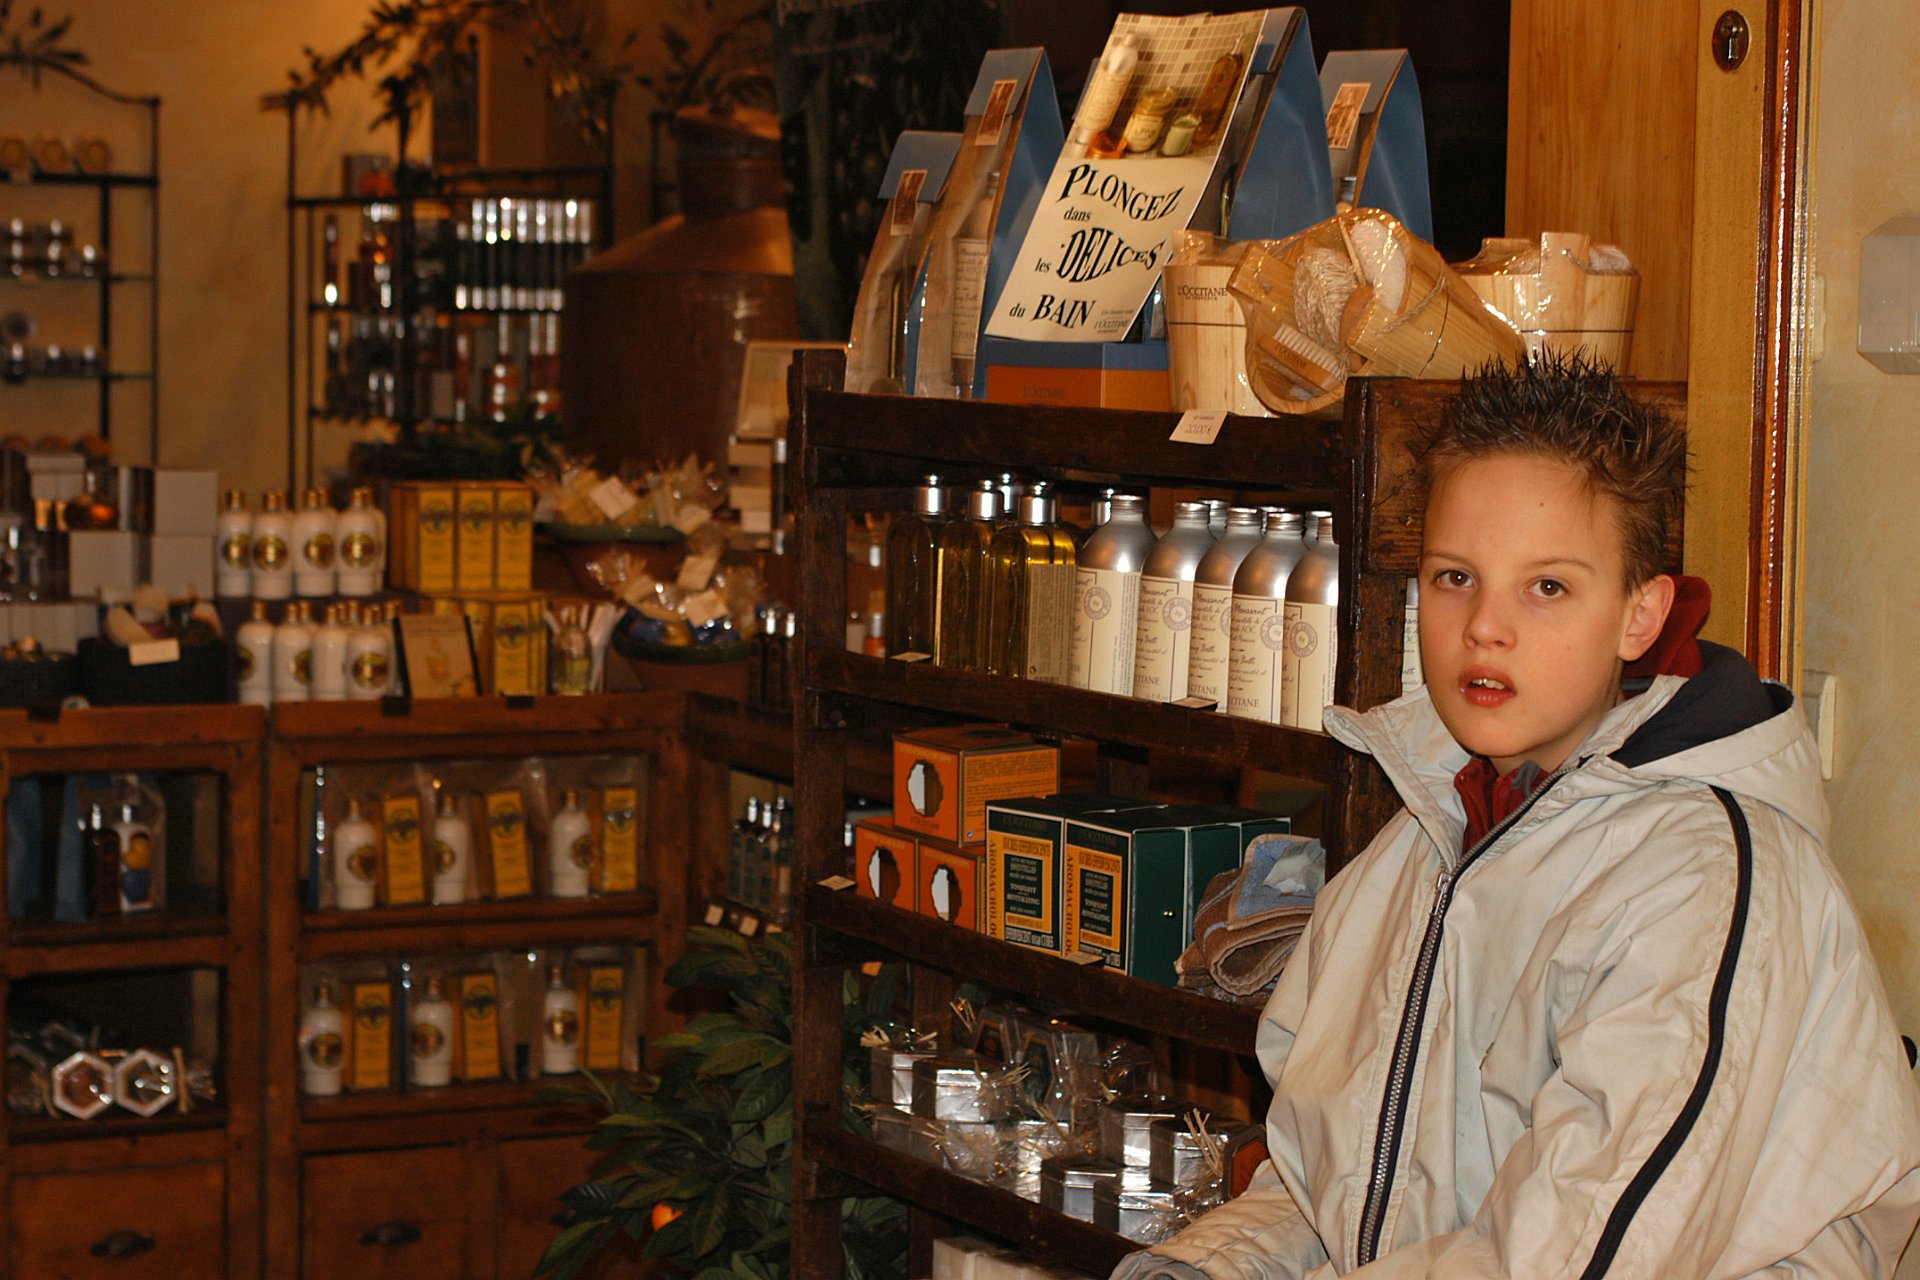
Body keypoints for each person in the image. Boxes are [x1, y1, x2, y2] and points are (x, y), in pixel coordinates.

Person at [1118, 356, 1920, 1278]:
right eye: (1456, 576)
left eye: (1547, 587)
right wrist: (1211, 1266)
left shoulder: (1705, 881)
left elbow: (1570, 1256)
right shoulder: (1421, 842)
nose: (1484, 628)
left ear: (1640, 614)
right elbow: (1325, 1182)